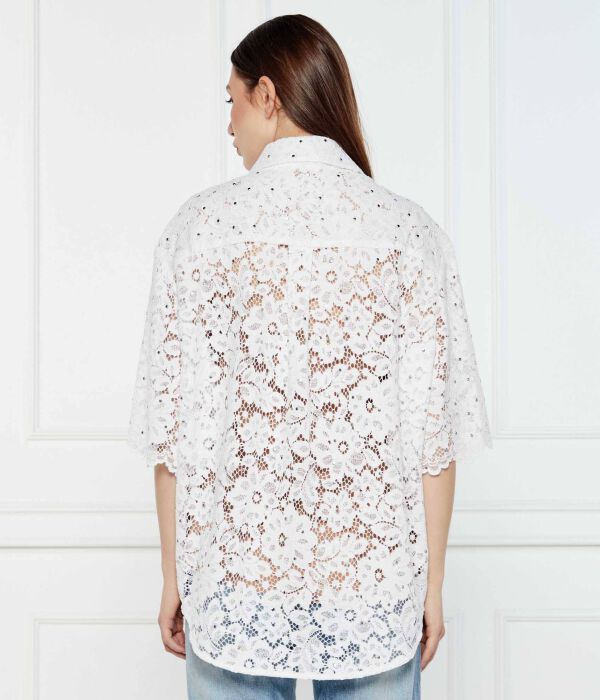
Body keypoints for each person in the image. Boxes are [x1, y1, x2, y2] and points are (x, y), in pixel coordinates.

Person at [126, 13, 492, 700]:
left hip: (233, 582)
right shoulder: (409, 233)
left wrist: (173, 574)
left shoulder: (198, 230)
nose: (228, 123)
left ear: (267, 94)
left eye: (232, 100)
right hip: (373, 588)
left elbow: (176, 430)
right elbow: (433, 438)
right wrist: (432, 583)